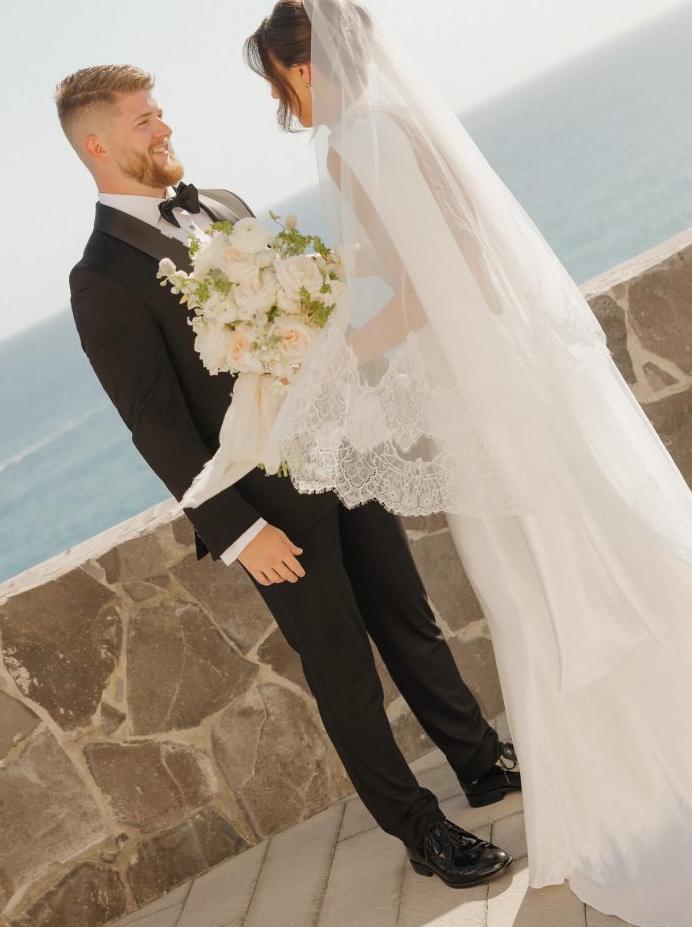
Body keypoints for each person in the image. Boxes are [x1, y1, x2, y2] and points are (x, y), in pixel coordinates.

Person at [242, 0, 692, 927]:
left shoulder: (357, 143)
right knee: (611, 543)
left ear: (301, 68)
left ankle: (634, 790)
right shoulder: (404, 123)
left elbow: (428, 289)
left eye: (282, 83)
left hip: (485, 401)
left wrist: (330, 359)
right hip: (526, 376)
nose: (289, 104)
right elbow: (462, 256)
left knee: (536, 583)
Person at [56, 64, 520, 890]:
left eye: (160, 112)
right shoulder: (100, 278)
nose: (163, 129)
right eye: (142, 122)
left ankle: (481, 763)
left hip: (336, 450)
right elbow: (156, 421)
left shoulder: (225, 207)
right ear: (97, 145)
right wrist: (238, 533)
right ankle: (420, 831)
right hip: (268, 506)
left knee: (408, 619)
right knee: (343, 666)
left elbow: (303, 326)